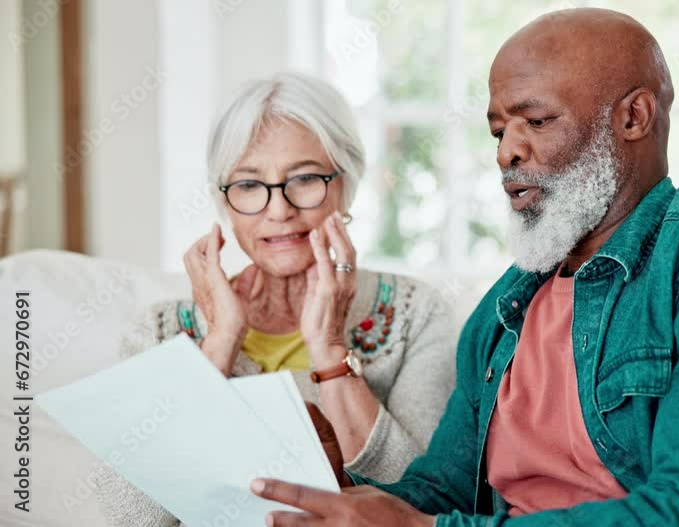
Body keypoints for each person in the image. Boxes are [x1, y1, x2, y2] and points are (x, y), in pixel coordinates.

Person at [250, 8, 679, 526]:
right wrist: (337, 497)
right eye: (498, 131)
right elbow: (440, 495)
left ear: (634, 117)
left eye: (536, 121)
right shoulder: (505, 309)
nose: (508, 151)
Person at [93, 72, 458, 527]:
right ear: (224, 203)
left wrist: (329, 349)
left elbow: (426, 507)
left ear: (347, 184)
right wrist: (217, 348)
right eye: (248, 185)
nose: (279, 208)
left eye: (304, 179)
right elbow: (128, 520)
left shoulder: (415, 314)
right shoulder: (157, 332)